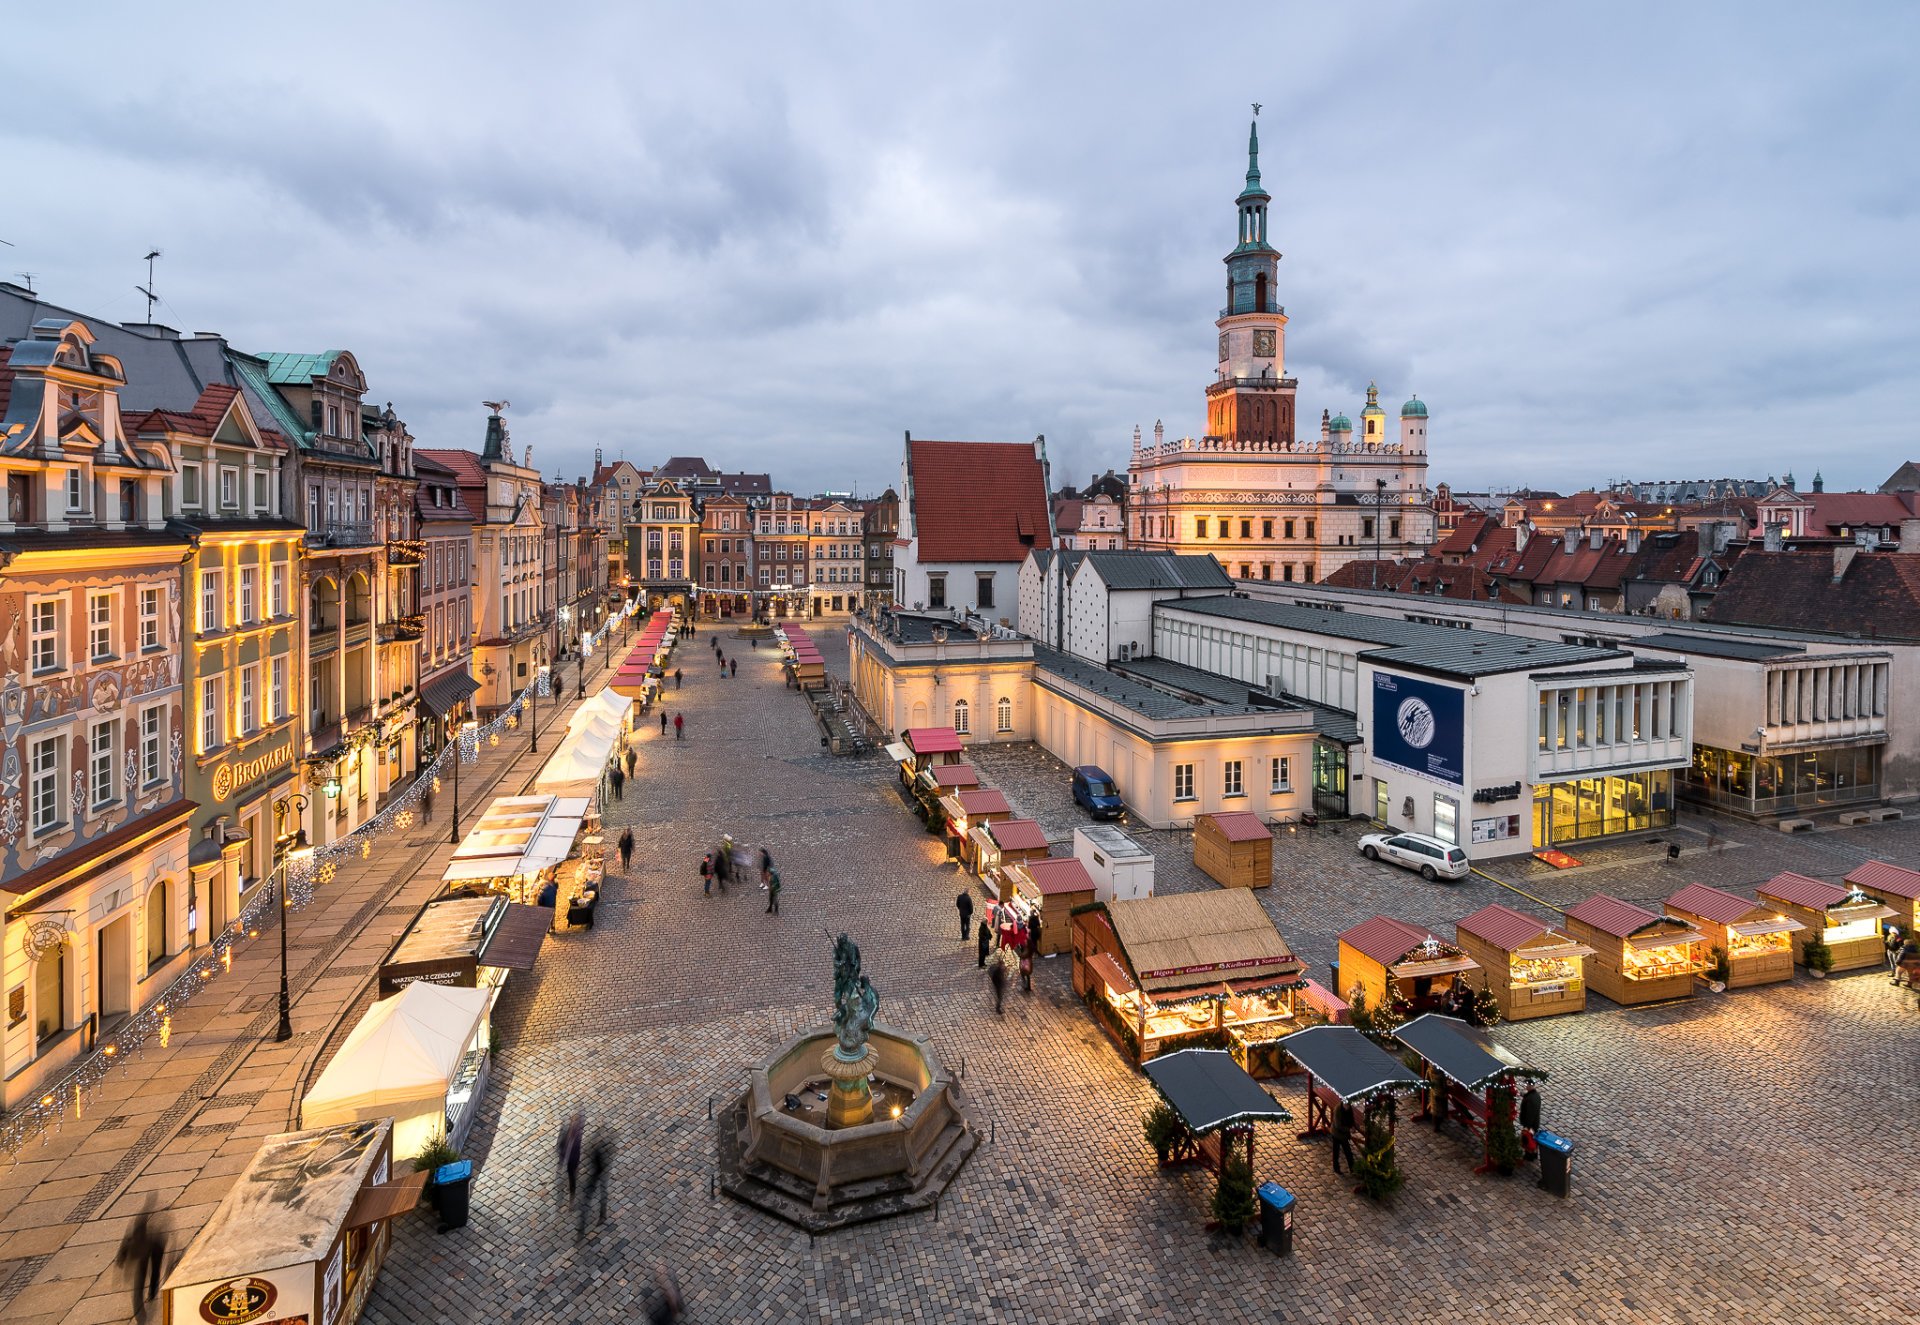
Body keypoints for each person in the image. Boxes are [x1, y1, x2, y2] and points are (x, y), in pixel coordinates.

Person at [116, 1197, 166, 1319]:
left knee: (154, 1272)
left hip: (154, 1251)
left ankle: (152, 1292)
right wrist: (121, 1260)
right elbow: (123, 1249)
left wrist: (121, 1260)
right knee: (140, 1278)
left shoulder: (153, 1239)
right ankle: (142, 1304)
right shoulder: (131, 1239)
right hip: (144, 1255)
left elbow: (156, 1262)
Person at [576, 1133, 614, 1241]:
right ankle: (600, 1216)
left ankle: (601, 1215)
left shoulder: (602, 1151)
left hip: (599, 1174)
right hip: (596, 1174)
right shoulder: (601, 1149)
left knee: (597, 1196)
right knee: (599, 1194)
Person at [558, 1110, 584, 1205]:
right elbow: (561, 1144)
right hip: (567, 1158)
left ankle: (571, 1200)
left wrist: (576, 1164)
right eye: (572, 1120)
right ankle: (570, 1190)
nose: (573, 1122)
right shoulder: (567, 1130)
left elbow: (577, 1151)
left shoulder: (577, 1136)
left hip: (572, 1161)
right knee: (569, 1177)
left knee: (572, 1179)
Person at [1330, 1100, 1355, 1176]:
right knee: (1336, 1151)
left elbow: (1351, 1118)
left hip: (1344, 1135)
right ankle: (1336, 1168)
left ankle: (1353, 1169)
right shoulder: (1338, 1110)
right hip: (1336, 1134)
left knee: (1348, 1153)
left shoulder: (1349, 1108)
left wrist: (1353, 1125)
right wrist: (1349, 1129)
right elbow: (1338, 1126)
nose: (1347, 1107)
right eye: (1346, 1106)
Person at [1519, 1083, 1543, 1161]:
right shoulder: (1535, 1095)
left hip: (1530, 1124)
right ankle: (1533, 1154)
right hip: (1534, 1123)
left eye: (1527, 1085)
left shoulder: (1531, 1100)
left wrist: (1528, 1127)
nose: (1526, 1086)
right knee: (1532, 1139)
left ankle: (1530, 1155)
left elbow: (1530, 1114)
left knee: (1529, 1140)